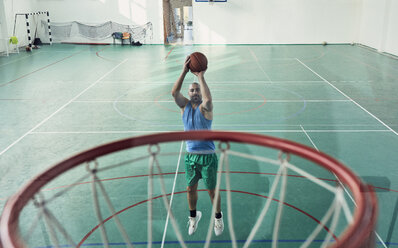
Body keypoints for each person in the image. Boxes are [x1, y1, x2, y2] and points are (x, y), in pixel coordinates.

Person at [171, 56, 224, 236]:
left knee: (211, 191)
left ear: (200, 94)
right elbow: (174, 93)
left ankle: (218, 218)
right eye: (192, 90)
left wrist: (201, 76)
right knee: (190, 189)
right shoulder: (184, 106)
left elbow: (209, 100)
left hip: (207, 156)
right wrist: (184, 71)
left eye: (197, 91)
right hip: (190, 156)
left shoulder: (205, 108)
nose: (194, 92)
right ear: (188, 93)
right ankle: (194, 217)